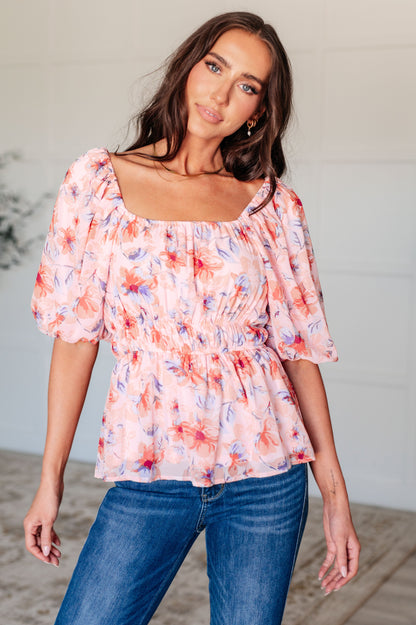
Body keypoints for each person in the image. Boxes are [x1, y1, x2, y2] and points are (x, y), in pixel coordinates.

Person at [24, 11, 360, 625]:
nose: (221, 94)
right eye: (214, 66)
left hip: (267, 476)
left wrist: (335, 496)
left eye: (247, 85)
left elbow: (296, 352)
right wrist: (50, 478)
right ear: (187, 68)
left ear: (258, 111)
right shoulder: (99, 183)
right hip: (152, 472)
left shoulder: (271, 206)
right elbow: (75, 338)